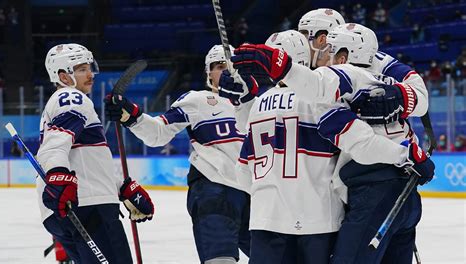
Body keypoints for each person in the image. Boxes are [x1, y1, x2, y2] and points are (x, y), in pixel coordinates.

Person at [224, 23, 435, 263]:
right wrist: (412, 154)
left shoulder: (334, 80)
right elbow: (414, 103)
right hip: (399, 195)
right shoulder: (379, 81)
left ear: (345, 55)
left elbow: (360, 143)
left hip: (365, 196)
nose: (323, 57)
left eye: (329, 51)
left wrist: (278, 71)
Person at [104, 44, 251, 264]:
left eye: (232, 67)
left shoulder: (257, 104)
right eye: (220, 66)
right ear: (208, 73)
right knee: (221, 261)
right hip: (214, 190)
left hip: (254, 194)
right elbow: (159, 134)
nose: (227, 72)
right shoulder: (197, 100)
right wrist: (132, 116)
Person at [227, 30, 343, 264]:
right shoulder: (321, 99)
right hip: (317, 218)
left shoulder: (259, 104)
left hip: (266, 220)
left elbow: (242, 173)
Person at [37, 43, 154, 263]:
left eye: (89, 67)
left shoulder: (59, 102)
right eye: (81, 69)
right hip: (90, 206)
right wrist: (58, 174)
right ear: (63, 76)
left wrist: (122, 187)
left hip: (73, 206)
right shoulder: (72, 97)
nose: (90, 74)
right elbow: (54, 145)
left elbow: (86, 162)